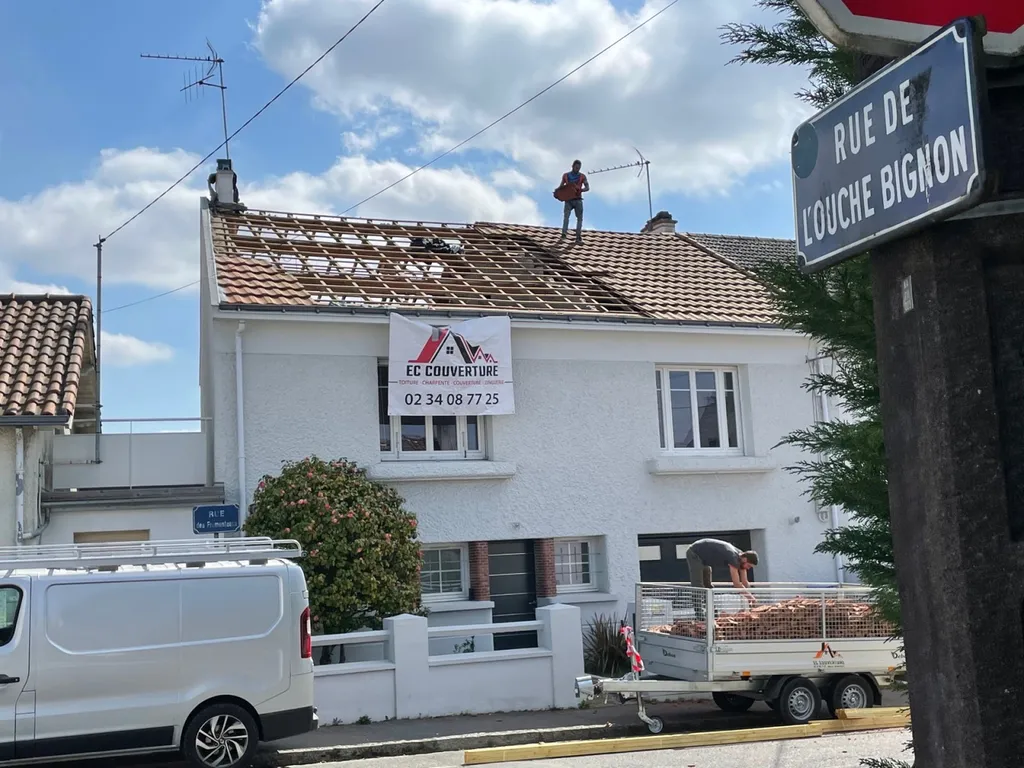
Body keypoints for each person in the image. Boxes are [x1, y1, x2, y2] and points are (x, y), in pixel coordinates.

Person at [686, 539, 759, 616]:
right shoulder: (732, 557)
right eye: (749, 566)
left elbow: (744, 581)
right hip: (695, 553)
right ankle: (700, 614)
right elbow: (737, 584)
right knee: (698, 585)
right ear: (745, 559)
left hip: (705, 559)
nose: (748, 568)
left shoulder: (741, 557)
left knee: (708, 585)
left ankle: (712, 612)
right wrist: (750, 597)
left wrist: (751, 596)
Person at [556, 160, 589, 243]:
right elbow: (561, 186)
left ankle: (578, 237)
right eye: (576, 167)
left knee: (579, 218)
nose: (577, 169)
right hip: (568, 200)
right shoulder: (566, 176)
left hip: (578, 200)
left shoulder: (582, 176)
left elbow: (587, 187)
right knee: (566, 217)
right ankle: (564, 234)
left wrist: (581, 190)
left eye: (579, 168)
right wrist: (557, 192)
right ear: (573, 166)